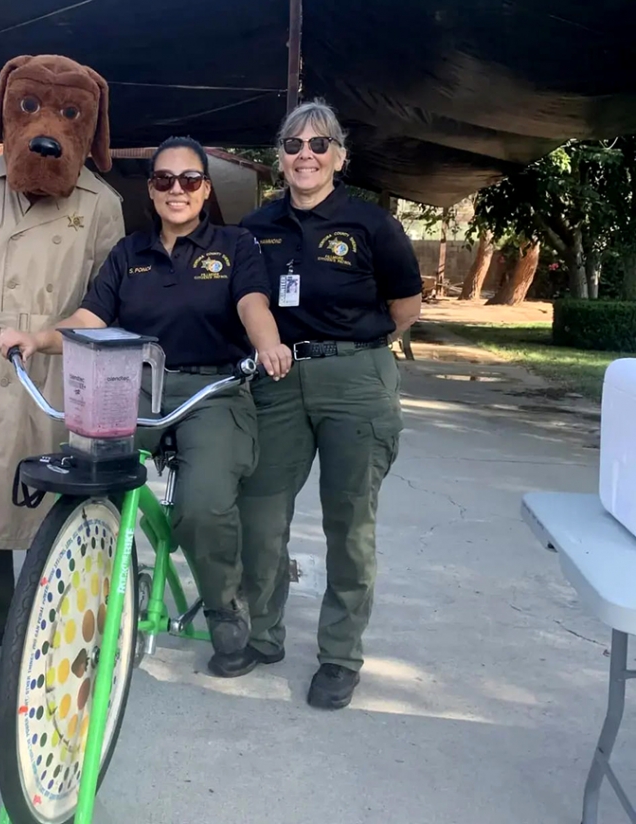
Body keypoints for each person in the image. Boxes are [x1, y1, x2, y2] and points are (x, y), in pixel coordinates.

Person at [0, 136, 292, 678]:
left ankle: (226, 606)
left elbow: (253, 303)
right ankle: (89, 591)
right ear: (152, 190)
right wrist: (38, 339)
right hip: (134, 388)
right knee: (87, 471)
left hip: (213, 392)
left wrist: (267, 343)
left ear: (205, 189)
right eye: (163, 180)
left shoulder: (235, 245)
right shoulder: (129, 253)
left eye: (189, 180)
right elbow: (90, 321)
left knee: (202, 507)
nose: (176, 190)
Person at [0, 55, 126, 667]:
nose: (48, 127)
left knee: (55, 495)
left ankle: (51, 618)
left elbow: (107, 301)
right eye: (32, 108)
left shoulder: (101, 203)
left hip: (61, 364)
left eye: (69, 114)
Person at [239, 99, 422, 708]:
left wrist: (357, 354)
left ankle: (340, 656)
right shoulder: (257, 227)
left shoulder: (372, 225)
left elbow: (405, 307)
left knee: (349, 524)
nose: (306, 156)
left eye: (320, 145)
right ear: (280, 157)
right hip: (278, 377)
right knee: (261, 517)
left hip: (355, 379)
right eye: (293, 145)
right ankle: (262, 634)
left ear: (340, 157)